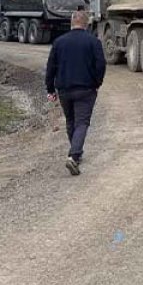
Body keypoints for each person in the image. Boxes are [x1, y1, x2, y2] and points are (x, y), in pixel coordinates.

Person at [45, 10, 105, 176]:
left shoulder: (59, 42)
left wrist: (50, 89)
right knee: (82, 122)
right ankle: (74, 155)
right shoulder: (93, 42)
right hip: (86, 89)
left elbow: (50, 67)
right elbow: (100, 64)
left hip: (64, 89)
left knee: (71, 120)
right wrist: (97, 82)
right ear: (86, 24)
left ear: (71, 23)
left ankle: (75, 152)